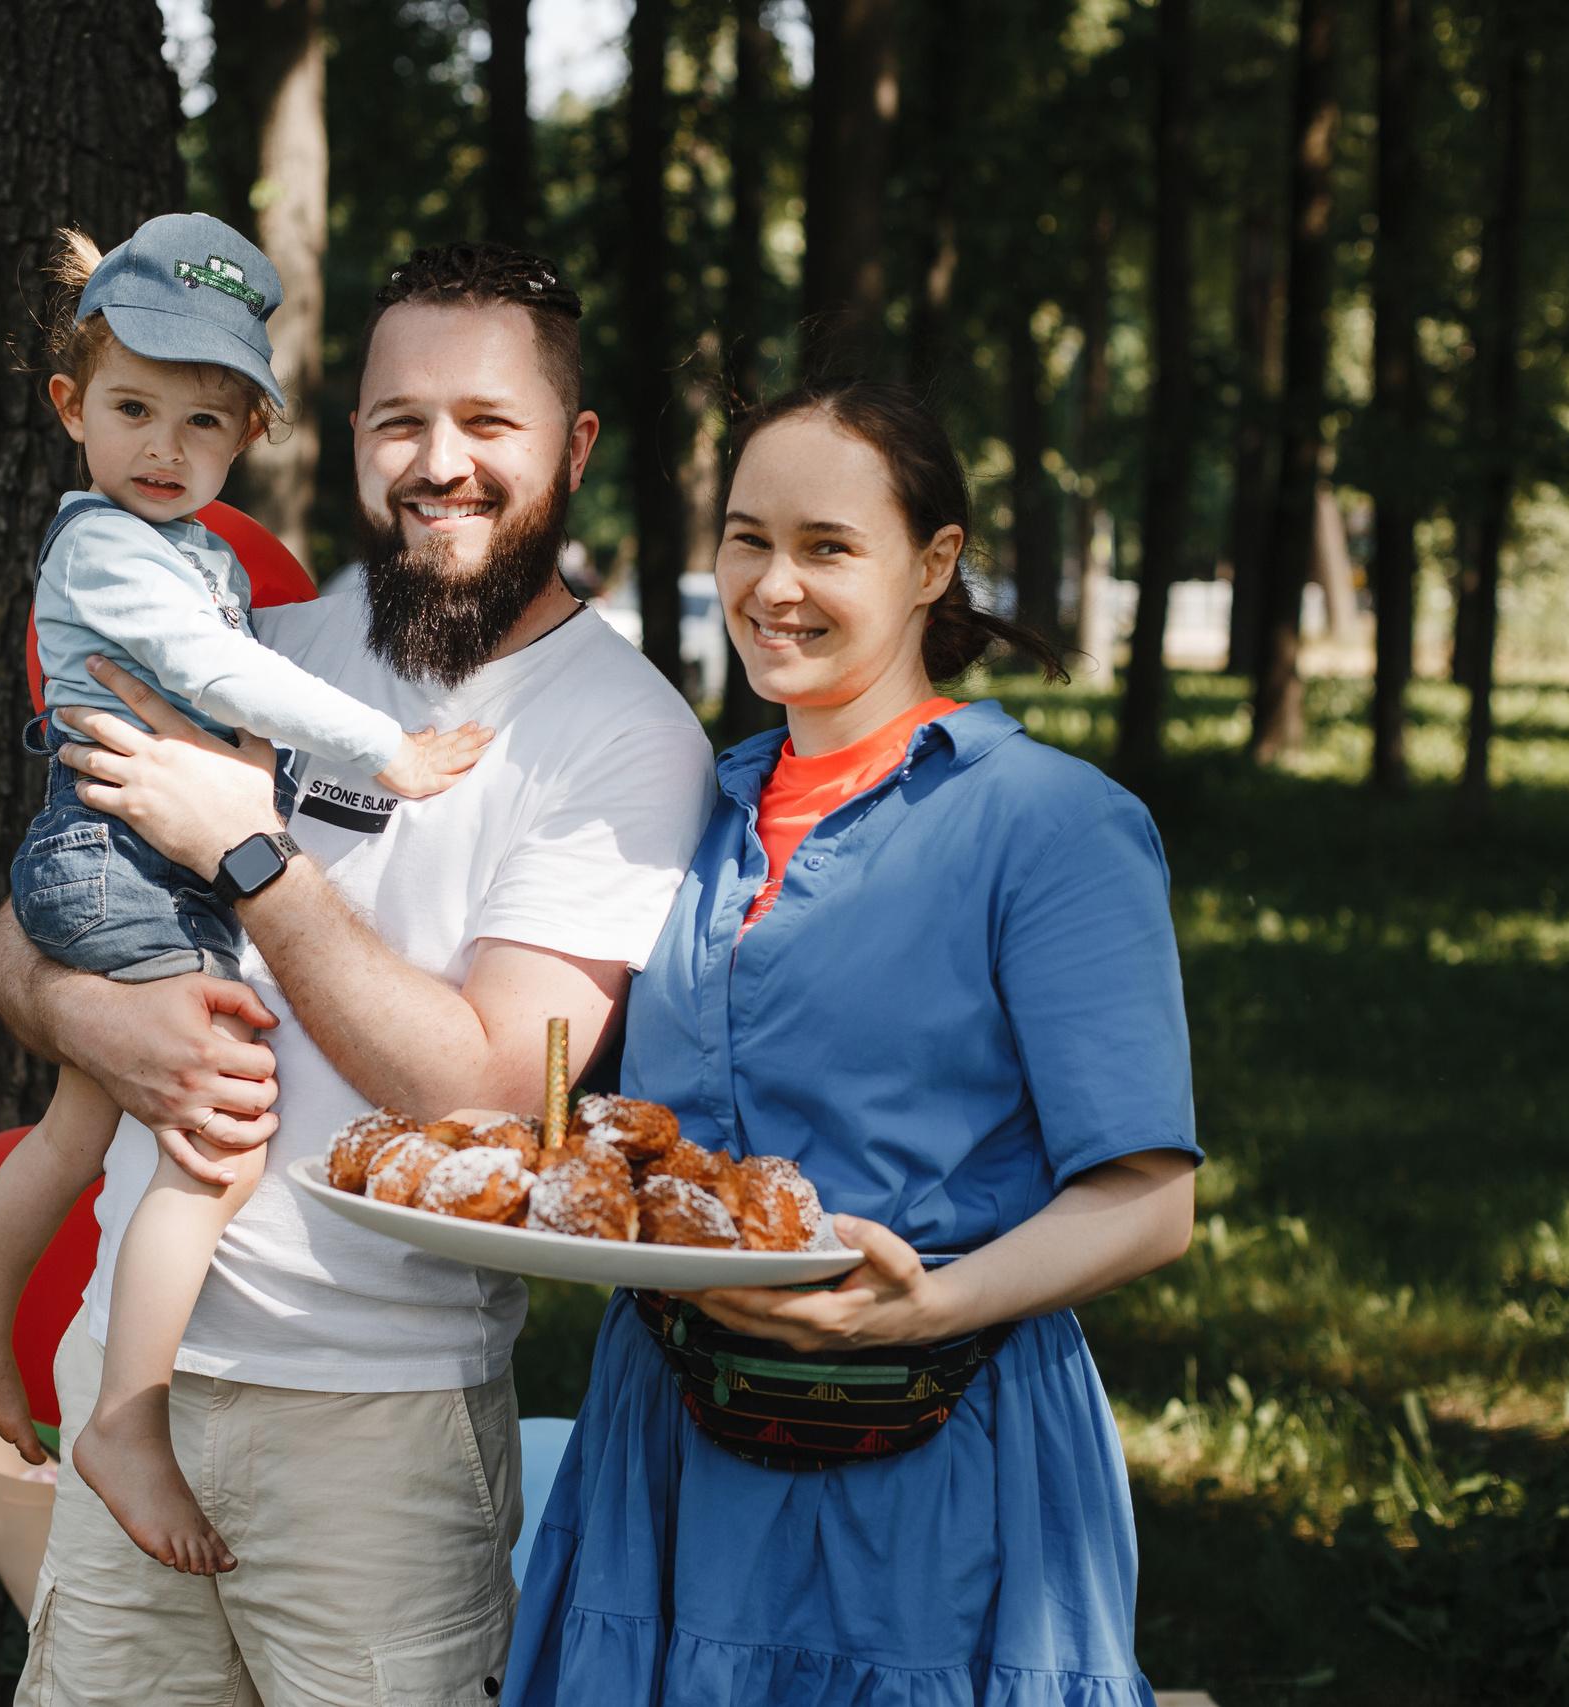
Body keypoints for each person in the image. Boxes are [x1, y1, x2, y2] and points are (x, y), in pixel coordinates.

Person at [0, 241, 716, 1705]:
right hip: (134, 1365)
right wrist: (90, 1022)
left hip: (376, 1420)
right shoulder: (246, 643)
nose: (441, 463)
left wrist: (255, 853)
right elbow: (23, 929)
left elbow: (504, 1092)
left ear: (571, 447)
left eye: (488, 424)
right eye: (399, 421)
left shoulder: (624, 737)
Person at [504, 379, 1200, 1706]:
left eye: (829, 546)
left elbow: (1149, 1202)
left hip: (933, 1461)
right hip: (668, 1445)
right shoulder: (682, 812)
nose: (775, 586)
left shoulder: (1052, 827)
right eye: (747, 537)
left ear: (934, 564)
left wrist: (927, 1303)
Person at [0, 212, 493, 1576]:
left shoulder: (192, 549)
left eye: (204, 424)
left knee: (82, 1119)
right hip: (114, 859)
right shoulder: (116, 549)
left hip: (124, 853)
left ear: (249, 436)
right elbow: (229, 684)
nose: (164, 451)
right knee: (221, 1127)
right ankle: (125, 1414)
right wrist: (387, 753)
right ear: (70, 406)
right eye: (132, 410)